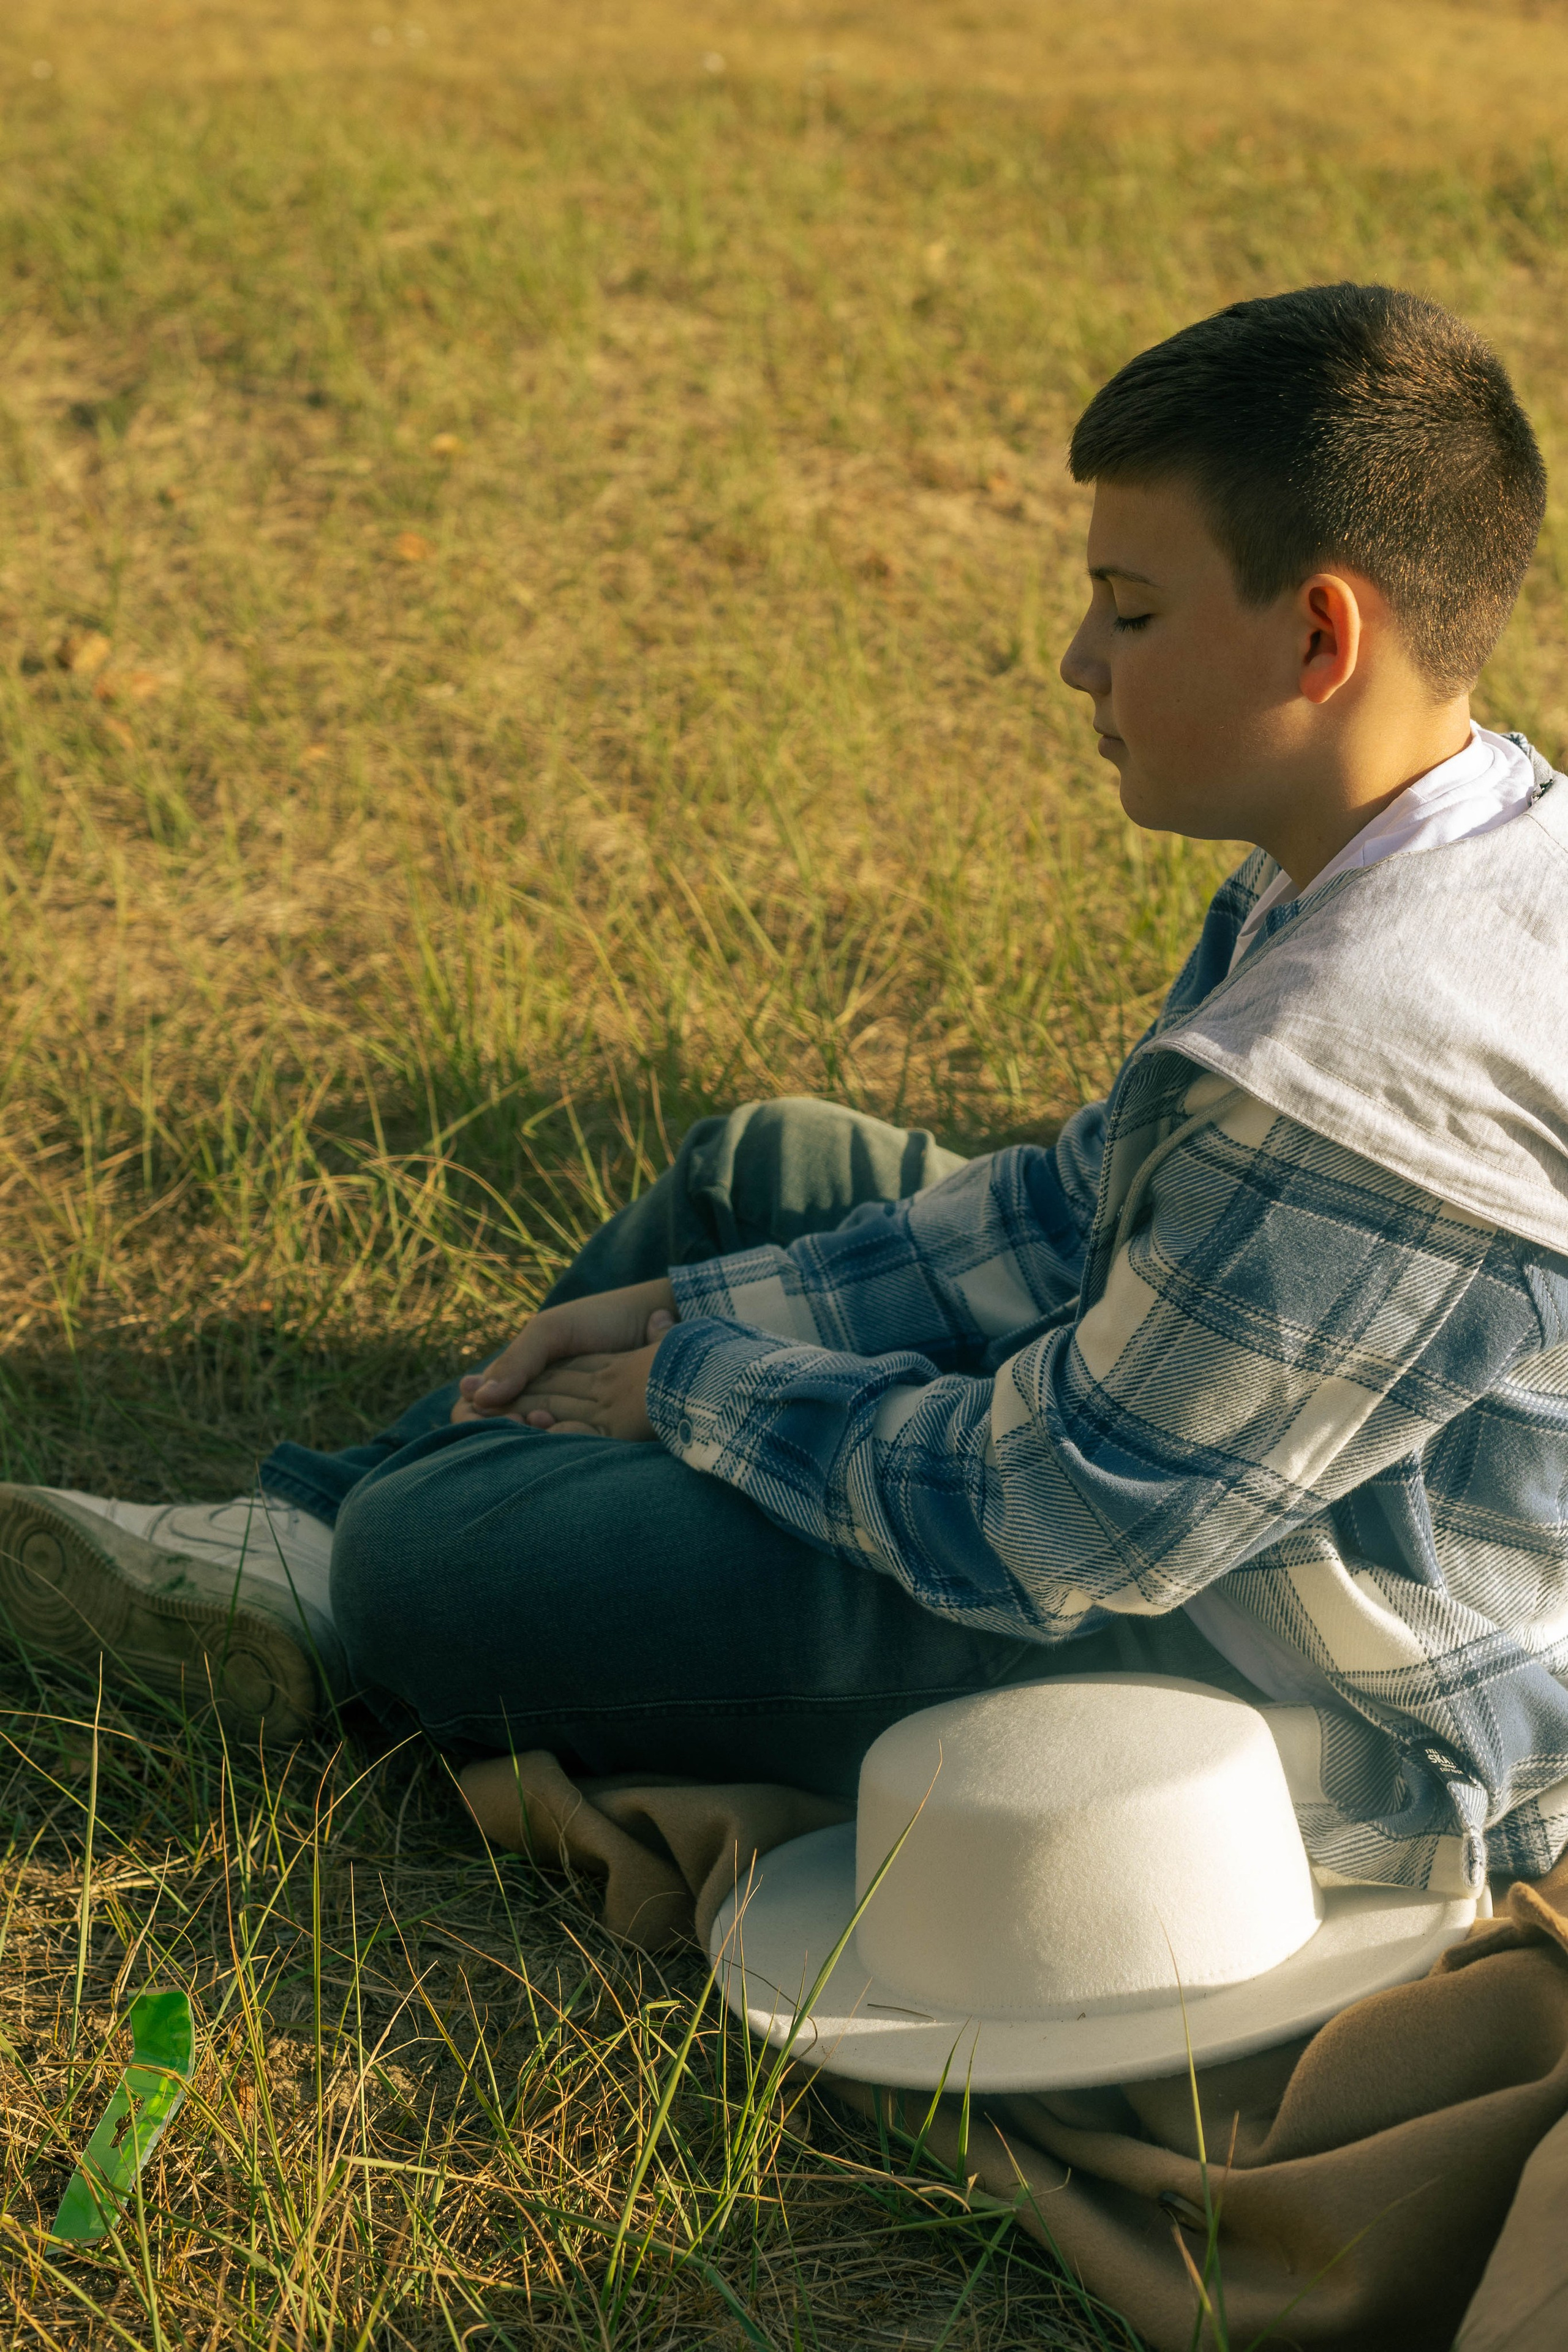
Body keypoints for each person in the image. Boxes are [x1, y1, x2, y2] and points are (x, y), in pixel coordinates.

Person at [4, 282, 1566, 1900]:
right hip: (1203, 1491)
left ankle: (359, 1567)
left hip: (1270, 1672)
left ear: (1320, 635)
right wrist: (687, 1300)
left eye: (1130, 610)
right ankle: (305, 1551)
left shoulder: (1364, 1082)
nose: (1076, 659)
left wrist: (698, 1381)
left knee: (427, 1563)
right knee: (767, 1166)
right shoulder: (1441, 835)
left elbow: (1053, 1526)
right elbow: (1082, 1207)